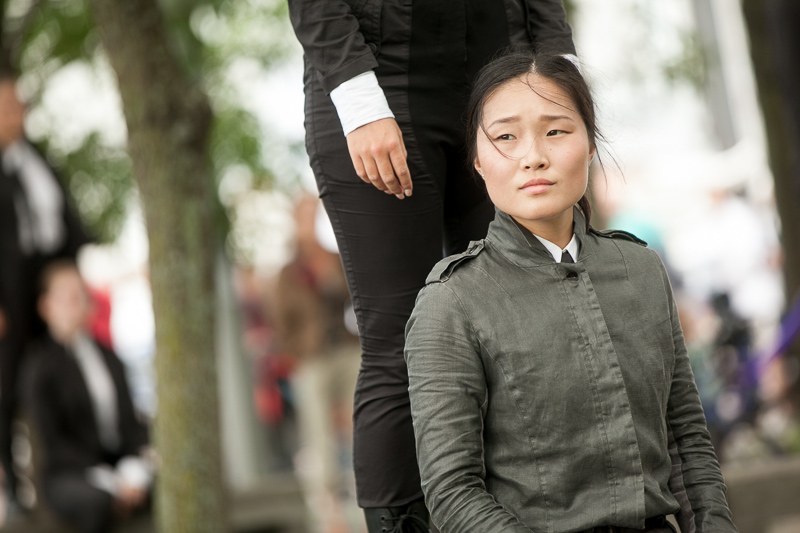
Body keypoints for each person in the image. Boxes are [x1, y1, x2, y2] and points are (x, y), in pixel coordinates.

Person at [404, 51, 738, 533]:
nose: (533, 156)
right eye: (505, 137)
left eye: (556, 131)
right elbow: (452, 491)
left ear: (590, 143)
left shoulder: (639, 268)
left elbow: (687, 441)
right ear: (477, 161)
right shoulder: (452, 301)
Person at [287, 1, 577, 528]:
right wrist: (358, 99)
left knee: (524, 328)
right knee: (403, 342)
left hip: (503, 73)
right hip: (379, 77)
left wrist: (564, 78)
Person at [0, 72, 90, 513]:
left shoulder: (38, 159)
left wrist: (73, 272)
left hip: (50, 278)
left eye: (19, 106)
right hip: (10, 293)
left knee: (61, 372)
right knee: (7, 384)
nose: (17, 115)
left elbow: (66, 216)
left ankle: (67, 475)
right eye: (7, 108)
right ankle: (13, 486)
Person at [20, 260, 152, 533]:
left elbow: (132, 424)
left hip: (120, 465)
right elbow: (55, 444)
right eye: (66, 297)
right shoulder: (40, 369)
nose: (74, 304)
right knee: (97, 502)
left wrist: (134, 470)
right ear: (46, 306)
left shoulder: (110, 358)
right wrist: (112, 482)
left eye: (79, 295)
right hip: (70, 473)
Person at [273, 195, 362, 533]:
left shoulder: (332, 258)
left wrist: (330, 278)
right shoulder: (287, 272)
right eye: (304, 216)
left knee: (361, 424)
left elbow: (352, 298)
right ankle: (327, 512)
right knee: (319, 433)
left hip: (345, 349)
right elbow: (281, 323)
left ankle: (365, 500)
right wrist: (297, 356)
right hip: (311, 359)